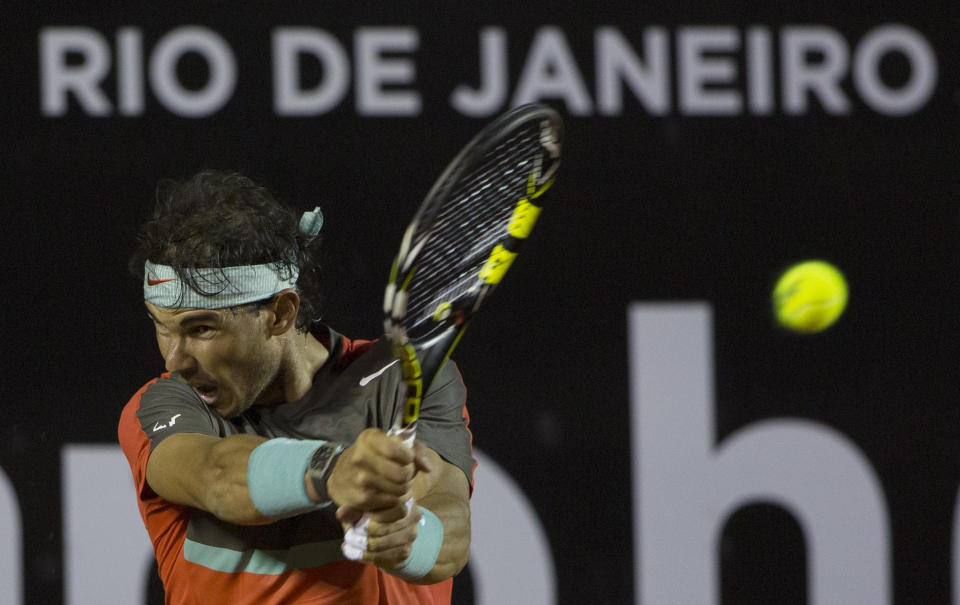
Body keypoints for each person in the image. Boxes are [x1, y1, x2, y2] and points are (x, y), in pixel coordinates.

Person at [118, 169, 475, 605]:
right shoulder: (164, 404)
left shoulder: (403, 378)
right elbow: (216, 476)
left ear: (281, 314)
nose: (174, 359)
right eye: (162, 328)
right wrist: (331, 469)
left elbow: (451, 527)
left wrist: (409, 537)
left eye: (202, 329)